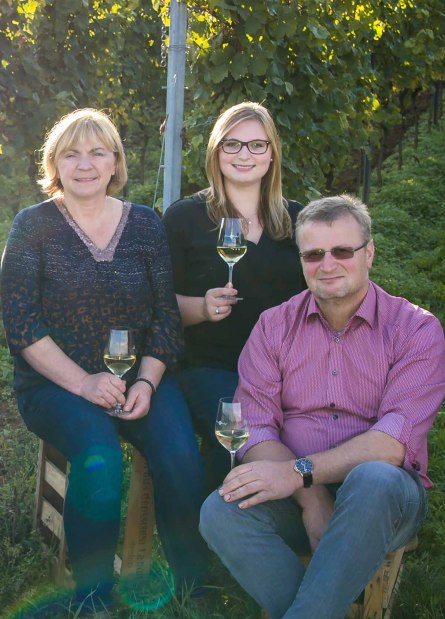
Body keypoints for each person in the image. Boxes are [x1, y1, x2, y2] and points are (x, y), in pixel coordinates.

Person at [199, 195, 445, 619]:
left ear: (369, 253)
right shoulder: (274, 325)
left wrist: (297, 472)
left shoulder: (415, 329)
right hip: (297, 495)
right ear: (301, 260)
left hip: (384, 500)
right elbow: (256, 424)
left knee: (374, 478)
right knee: (219, 512)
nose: (328, 264)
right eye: (314, 254)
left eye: (342, 251)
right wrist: (311, 498)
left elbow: (392, 443)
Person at [1, 108, 210, 610]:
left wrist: (149, 383)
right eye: (71, 153)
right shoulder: (32, 227)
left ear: (115, 161)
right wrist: (84, 384)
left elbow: (165, 315)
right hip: (54, 385)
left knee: (181, 454)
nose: (85, 164)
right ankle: (93, 594)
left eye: (97, 152)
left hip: (137, 379)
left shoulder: (144, 224)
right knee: (99, 458)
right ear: (54, 164)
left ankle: (193, 585)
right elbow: (23, 326)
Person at [162, 101, 306, 488]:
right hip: (211, 366)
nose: (245, 155)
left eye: (257, 145)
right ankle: (223, 530)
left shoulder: (298, 221)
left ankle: (295, 526)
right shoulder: (184, 219)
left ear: (272, 153)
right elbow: (157, 306)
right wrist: (203, 308)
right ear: (216, 151)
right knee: (236, 437)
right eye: (233, 145)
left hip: (284, 371)